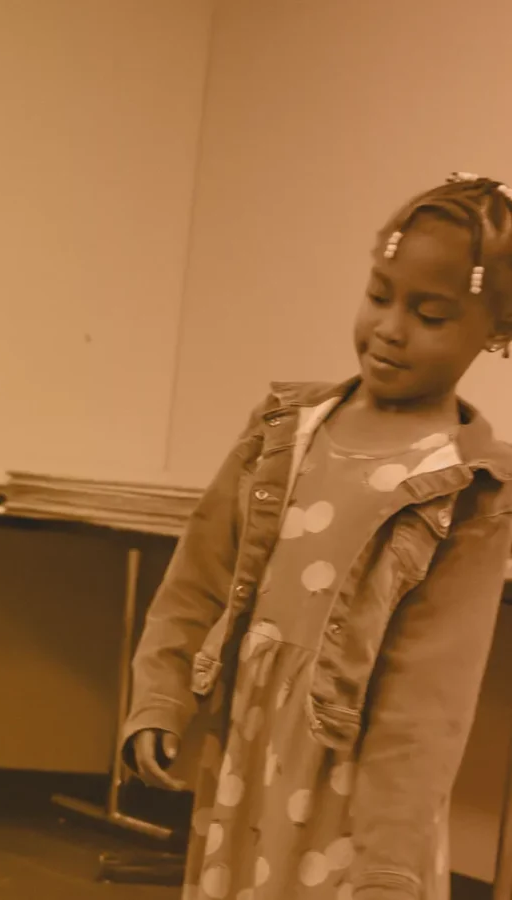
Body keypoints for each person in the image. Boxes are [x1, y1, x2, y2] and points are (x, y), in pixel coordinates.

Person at [123, 173, 512, 900]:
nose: (390, 328)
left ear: (495, 331)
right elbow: (195, 581)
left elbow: (429, 700)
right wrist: (161, 694)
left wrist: (388, 863)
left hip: (354, 801)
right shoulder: (281, 432)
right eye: (377, 295)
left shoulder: (470, 488)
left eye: (429, 313)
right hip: (245, 766)